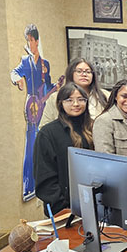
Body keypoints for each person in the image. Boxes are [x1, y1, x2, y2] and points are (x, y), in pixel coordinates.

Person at [10, 24, 59, 200]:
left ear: (37, 41)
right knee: (31, 144)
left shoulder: (45, 64)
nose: (29, 43)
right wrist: (18, 81)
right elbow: (14, 72)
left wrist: (56, 88)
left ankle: (44, 183)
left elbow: (49, 86)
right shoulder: (25, 61)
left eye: (32, 40)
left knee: (44, 145)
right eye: (27, 40)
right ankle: (28, 187)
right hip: (32, 107)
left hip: (43, 108)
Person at [33, 82, 93, 217]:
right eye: (69, 100)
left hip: (93, 205)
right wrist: (64, 207)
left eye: (81, 100)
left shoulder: (93, 128)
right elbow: (44, 179)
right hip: (62, 211)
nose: (76, 104)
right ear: (60, 103)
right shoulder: (48, 133)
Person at [40, 58, 109, 127]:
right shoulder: (55, 97)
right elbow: (44, 126)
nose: (84, 74)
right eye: (79, 71)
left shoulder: (106, 95)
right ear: (71, 73)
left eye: (88, 72)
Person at [93, 78, 127, 158]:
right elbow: (105, 158)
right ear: (115, 97)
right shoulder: (104, 121)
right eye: (124, 96)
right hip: (116, 170)